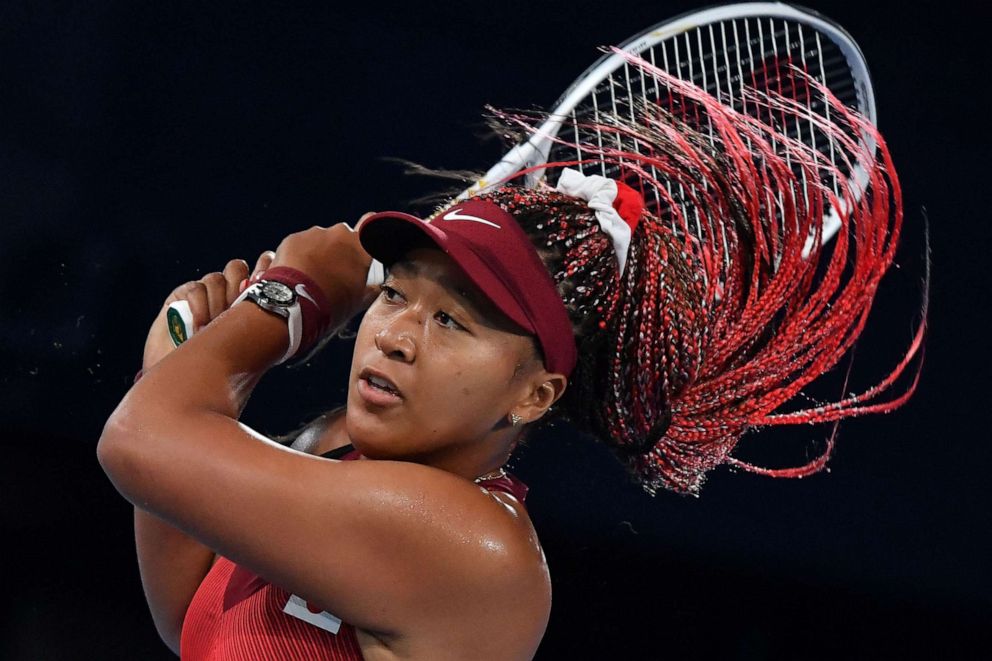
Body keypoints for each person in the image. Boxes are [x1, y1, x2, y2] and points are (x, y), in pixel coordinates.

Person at [97, 59, 922, 660]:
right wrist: (172, 359)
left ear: (534, 395)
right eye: (395, 295)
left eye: (452, 322)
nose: (395, 333)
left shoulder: (471, 546)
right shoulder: (332, 452)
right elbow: (195, 620)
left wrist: (293, 300)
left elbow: (137, 444)